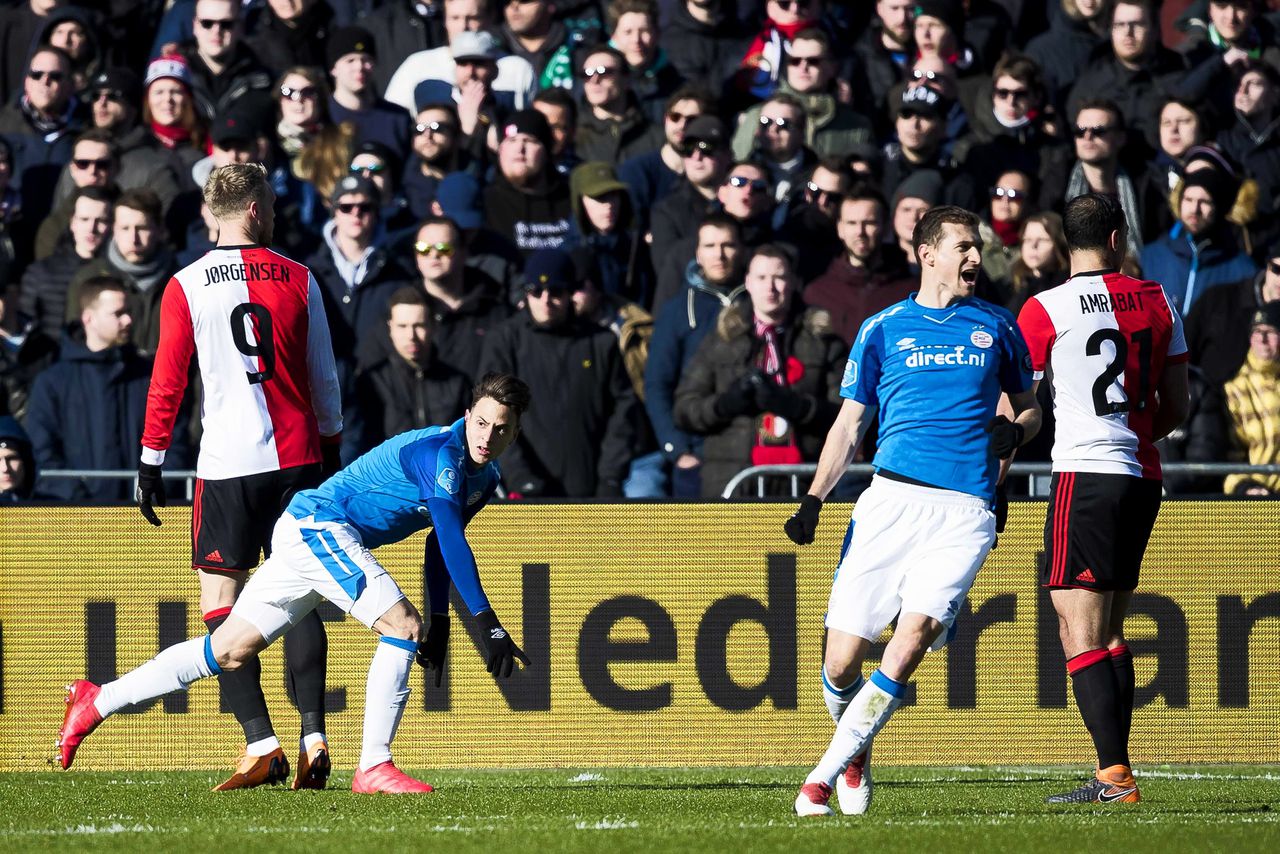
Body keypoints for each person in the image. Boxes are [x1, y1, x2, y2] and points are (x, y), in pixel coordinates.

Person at [59, 373, 534, 795]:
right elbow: (450, 538)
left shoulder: (484, 475)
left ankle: (98, 700)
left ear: (515, 432)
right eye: (481, 422)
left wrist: (441, 619)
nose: (488, 436)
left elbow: (437, 545)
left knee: (227, 651)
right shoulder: (441, 454)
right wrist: (485, 624)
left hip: (306, 532)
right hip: (321, 526)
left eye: (501, 428)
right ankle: (373, 766)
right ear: (467, 415)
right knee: (401, 626)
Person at [785, 205, 1040, 817]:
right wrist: (815, 498)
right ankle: (857, 751)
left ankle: (819, 778)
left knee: (911, 639)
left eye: (976, 246)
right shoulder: (883, 328)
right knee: (841, 663)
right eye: (963, 246)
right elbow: (851, 423)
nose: (975, 256)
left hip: (964, 511)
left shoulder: (997, 327)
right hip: (890, 502)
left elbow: (1029, 408)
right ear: (928, 254)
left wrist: (1017, 435)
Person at [133, 162, 344, 792]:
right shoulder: (302, 278)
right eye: (272, 207)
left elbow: (168, 380)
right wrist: (330, 452)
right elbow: (325, 378)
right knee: (301, 590)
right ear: (255, 211)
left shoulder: (185, 284)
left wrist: (150, 460)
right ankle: (313, 735)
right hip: (299, 457)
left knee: (221, 605)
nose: (275, 215)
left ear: (212, 214)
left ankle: (260, 742)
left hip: (226, 467)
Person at [1015, 192, 1189, 804]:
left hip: (1083, 477)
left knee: (1077, 629)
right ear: (1118, 239)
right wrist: (1136, 432)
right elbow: (1180, 404)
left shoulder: (1043, 309)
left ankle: (1115, 777)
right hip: (1142, 478)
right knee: (1109, 629)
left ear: (1068, 243)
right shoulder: (1160, 298)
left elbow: (1020, 405)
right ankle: (1114, 771)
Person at [673, 243, 845, 498]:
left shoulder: (821, 338)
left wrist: (798, 407)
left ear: (795, 282)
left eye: (779, 277)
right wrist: (724, 405)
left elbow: (847, 413)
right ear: (748, 283)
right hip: (733, 480)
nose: (770, 287)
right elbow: (685, 409)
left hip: (804, 481)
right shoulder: (723, 338)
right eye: (762, 278)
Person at [478, 248, 638, 497]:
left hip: (591, 483)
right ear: (526, 293)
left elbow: (623, 413)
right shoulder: (505, 340)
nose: (546, 300)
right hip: (526, 489)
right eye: (537, 292)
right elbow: (491, 414)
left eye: (556, 291)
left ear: (570, 293)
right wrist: (520, 477)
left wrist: (610, 477)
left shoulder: (600, 342)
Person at [25, 276, 188, 503]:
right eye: (117, 313)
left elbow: (175, 440)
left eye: (128, 311)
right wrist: (76, 498)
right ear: (88, 318)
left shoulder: (150, 377)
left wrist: (154, 487)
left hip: (146, 516)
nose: (128, 320)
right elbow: (42, 452)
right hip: (77, 519)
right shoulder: (53, 382)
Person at [645, 214, 745, 497]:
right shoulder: (677, 310)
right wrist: (677, 450)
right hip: (698, 453)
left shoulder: (759, 300)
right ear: (697, 253)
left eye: (728, 245)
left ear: (742, 249)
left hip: (754, 453)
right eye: (710, 245)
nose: (720, 255)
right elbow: (656, 383)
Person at [355, 286, 471, 451]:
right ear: (390, 328)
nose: (411, 336)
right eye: (402, 326)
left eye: (419, 326)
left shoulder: (457, 383)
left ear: (433, 326)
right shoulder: (372, 383)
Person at [1222, 301, 1280, 496]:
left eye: (1271, 331)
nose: (1263, 339)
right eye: (1257, 331)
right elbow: (1228, 459)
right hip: (1257, 498)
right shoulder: (1234, 390)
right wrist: (1245, 487)